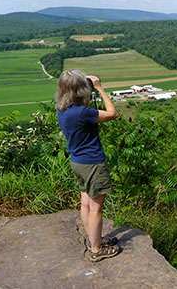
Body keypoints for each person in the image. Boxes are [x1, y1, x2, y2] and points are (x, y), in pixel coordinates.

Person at [55, 69, 120, 262]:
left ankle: (93, 239)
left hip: (78, 162)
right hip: (93, 163)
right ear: (80, 91)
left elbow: (79, 103)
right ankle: (96, 249)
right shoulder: (83, 113)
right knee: (96, 209)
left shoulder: (62, 109)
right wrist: (99, 88)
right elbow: (112, 113)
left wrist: (82, 87)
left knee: (85, 203)